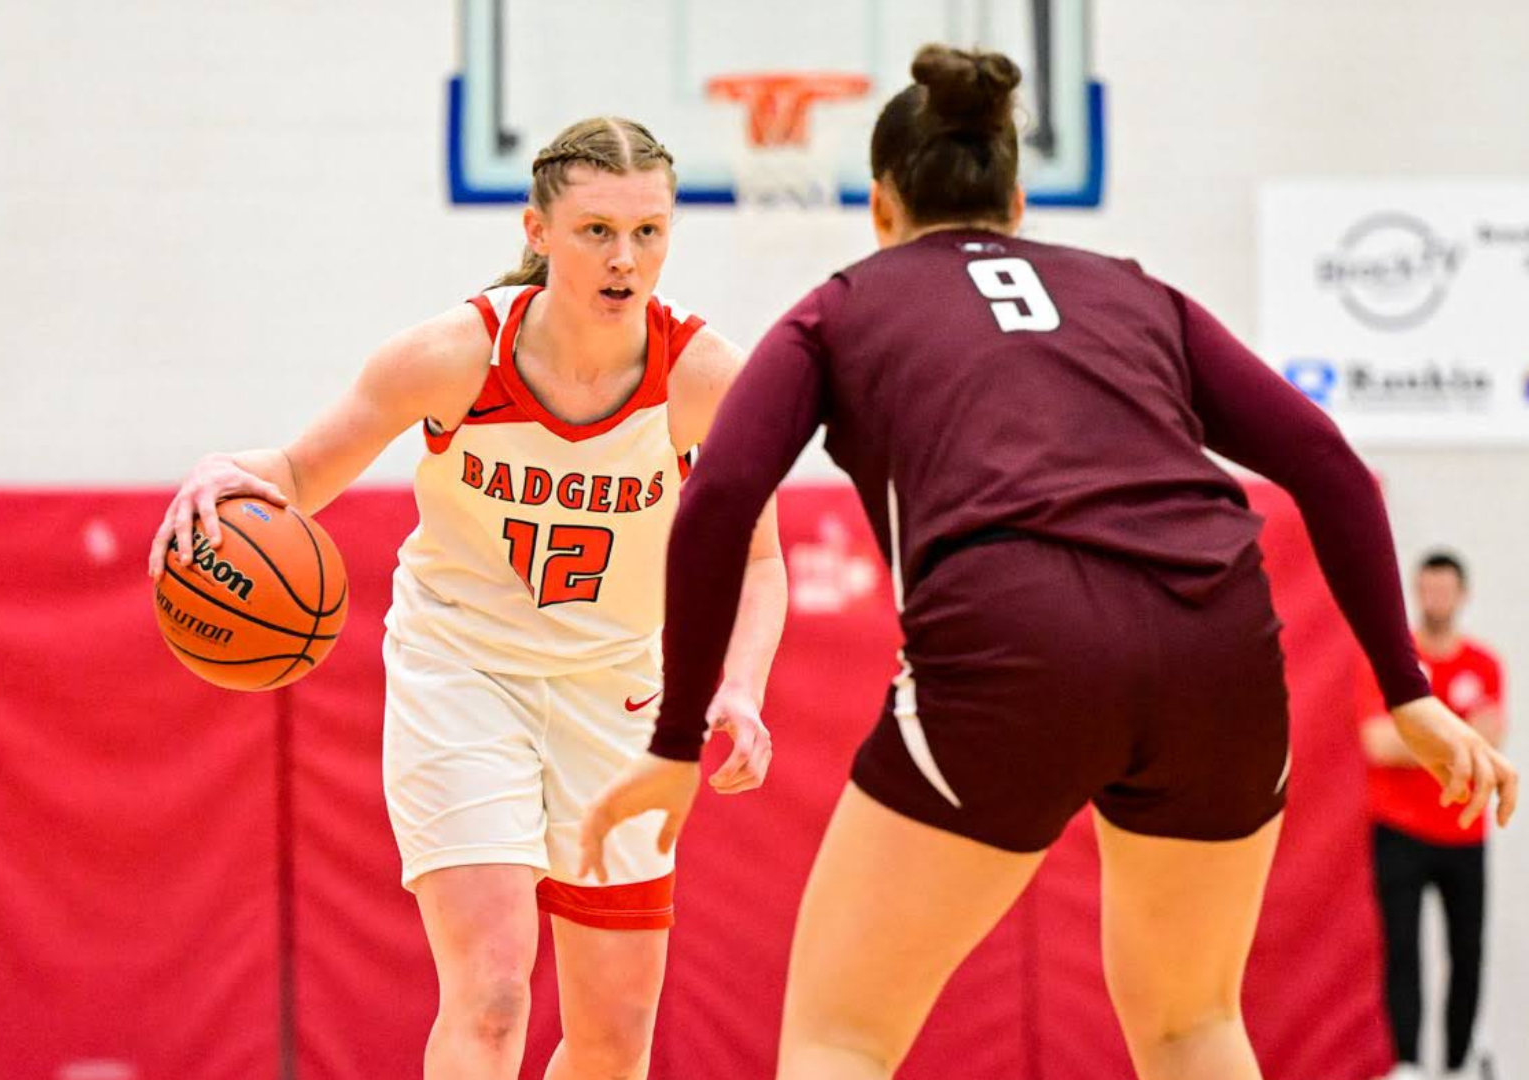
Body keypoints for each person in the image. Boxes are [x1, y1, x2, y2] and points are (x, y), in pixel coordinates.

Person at [579, 46, 1517, 1080]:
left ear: (882, 206)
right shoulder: (1133, 292)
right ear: (1017, 199)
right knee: (1192, 1024)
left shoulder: (842, 306)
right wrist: (1407, 688)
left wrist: (673, 742)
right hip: (1221, 641)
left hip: (1016, 636)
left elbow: (718, 498)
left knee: (840, 1037)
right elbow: (1328, 461)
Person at [147, 117, 788, 1080]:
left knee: (615, 1039)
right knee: (490, 997)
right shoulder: (453, 355)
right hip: (463, 675)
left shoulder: (703, 378)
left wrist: (739, 686)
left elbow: (760, 558)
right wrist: (225, 468)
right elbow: (298, 471)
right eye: (596, 232)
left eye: (648, 232)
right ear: (537, 230)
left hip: (615, 690)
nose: (625, 259)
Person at [1360, 550, 1507, 1080]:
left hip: (1463, 833)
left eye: (1445, 589)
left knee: (1466, 950)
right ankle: (1409, 1065)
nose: (1435, 599)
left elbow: (1492, 738)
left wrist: (1421, 738)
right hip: (1398, 830)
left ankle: (1457, 1063)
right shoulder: (1393, 663)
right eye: (1426, 589)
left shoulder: (1483, 664)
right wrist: (1458, 735)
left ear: (1461, 595)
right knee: (1403, 949)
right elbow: (1377, 742)